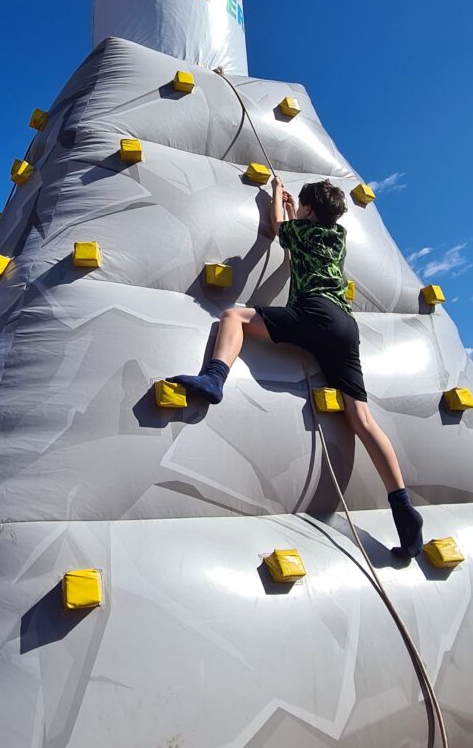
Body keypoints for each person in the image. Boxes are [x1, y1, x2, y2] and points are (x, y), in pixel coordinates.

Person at [170, 175, 424, 559]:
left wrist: (275, 194)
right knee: (362, 419)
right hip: (344, 325)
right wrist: (295, 211)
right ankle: (403, 508)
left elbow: (273, 231)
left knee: (234, 316)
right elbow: (296, 252)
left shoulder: (302, 233)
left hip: (313, 313)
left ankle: (214, 377)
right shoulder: (336, 240)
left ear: (307, 209)